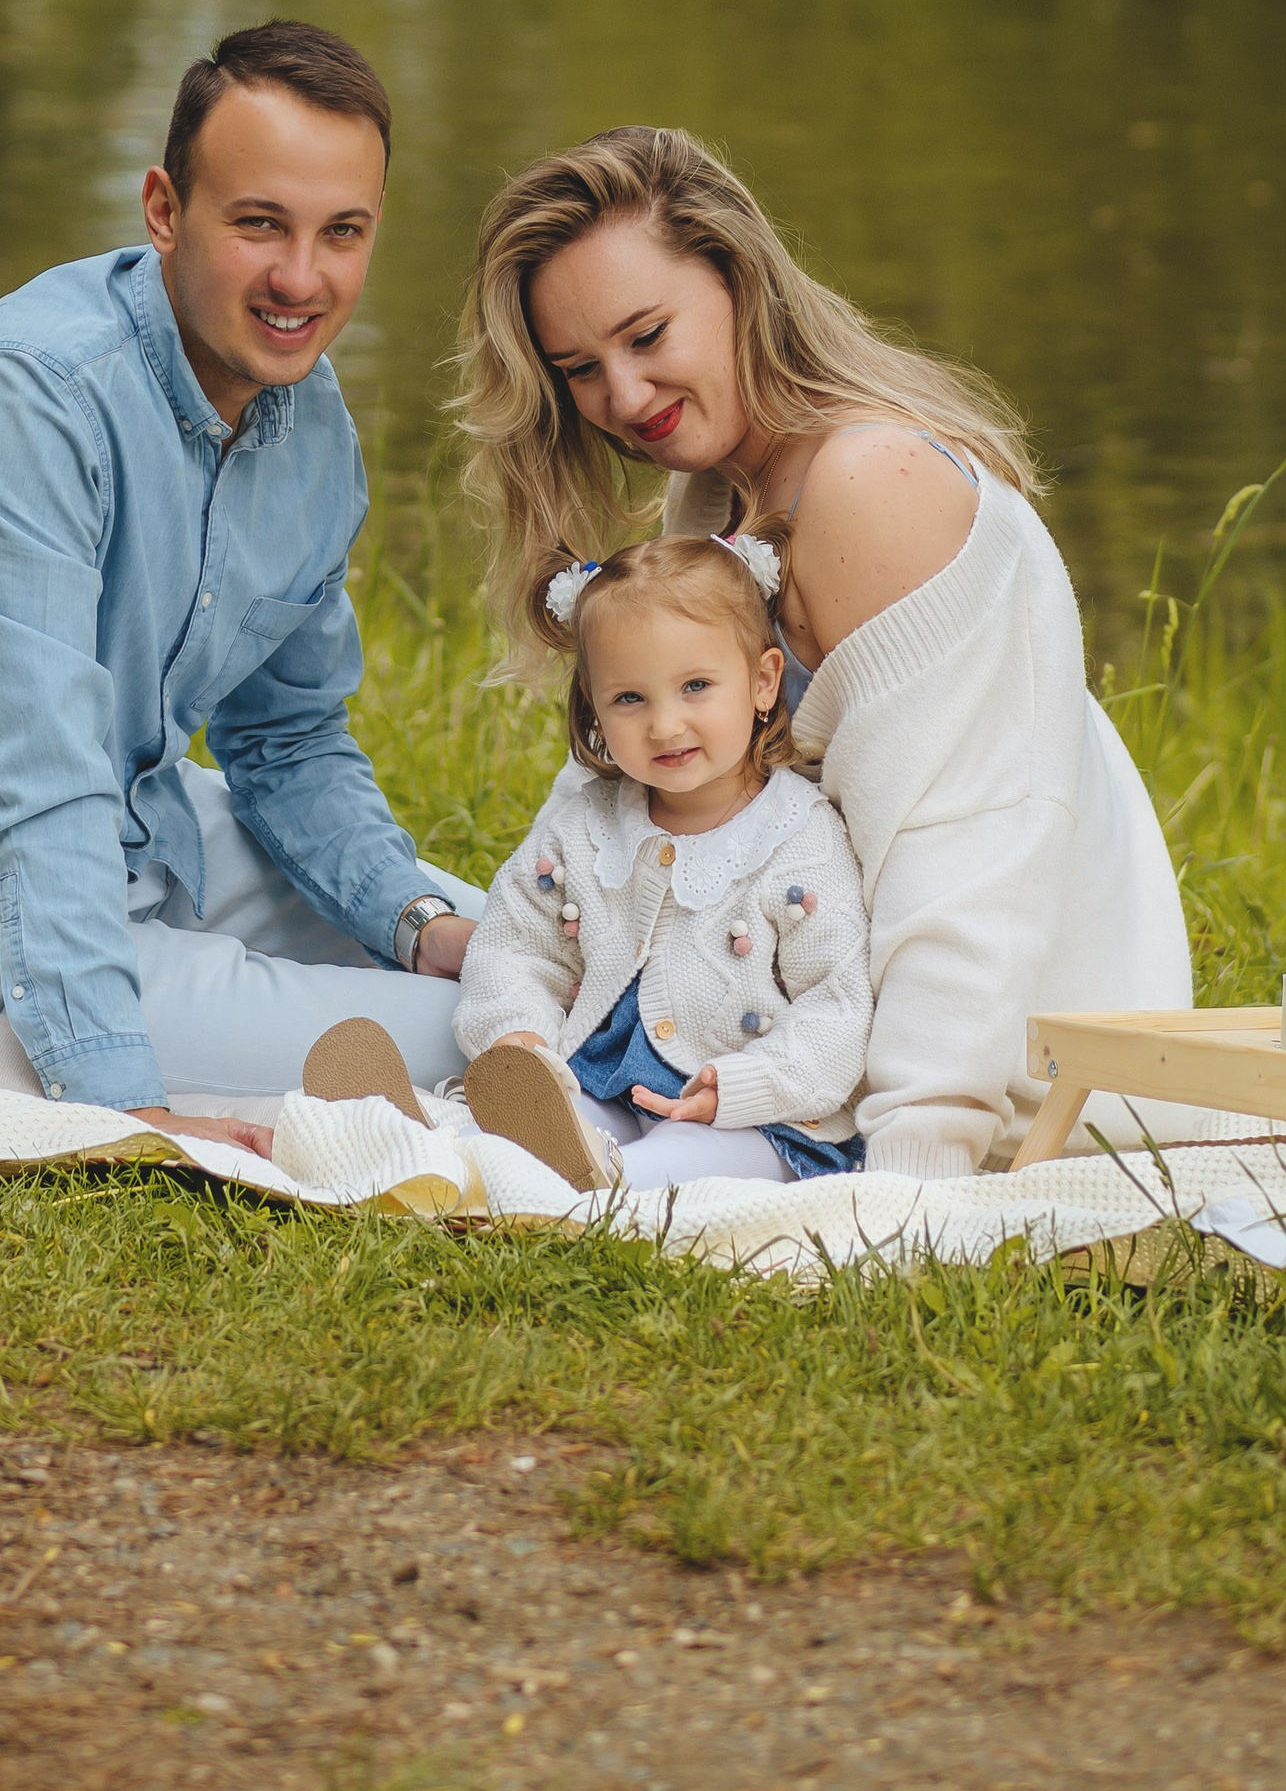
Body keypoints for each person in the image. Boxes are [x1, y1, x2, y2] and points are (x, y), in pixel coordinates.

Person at [0, 20, 483, 1156]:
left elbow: (288, 743)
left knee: (510, 949)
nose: (302, 279)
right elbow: (41, 783)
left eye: (342, 232)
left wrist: (415, 919)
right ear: (162, 207)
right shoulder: (29, 397)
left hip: (146, 837)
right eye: (258, 224)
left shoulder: (310, 418)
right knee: (464, 1029)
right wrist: (120, 1101)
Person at [456, 126, 1194, 1181]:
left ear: (737, 278)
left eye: (647, 333)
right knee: (480, 1008)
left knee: (624, 1169)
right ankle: (464, 1128)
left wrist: (912, 1182)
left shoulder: (873, 483)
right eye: (580, 369)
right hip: (786, 1015)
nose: (622, 397)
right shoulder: (718, 490)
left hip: (1010, 1068)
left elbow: (967, 872)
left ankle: (500, 1155)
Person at [452, 524, 871, 1194]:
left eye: (696, 685)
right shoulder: (582, 827)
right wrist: (518, 1035)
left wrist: (740, 1086)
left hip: (747, 1116)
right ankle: (456, 1152)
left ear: (764, 682)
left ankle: (593, 1189)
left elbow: (839, 1004)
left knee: (675, 1164)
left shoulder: (801, 838)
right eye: (629, 698)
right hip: (601, 1082)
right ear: (593, 706)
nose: (665, 725)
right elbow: (514, 946)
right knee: (532, 1128)